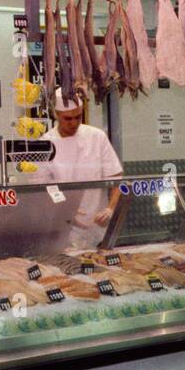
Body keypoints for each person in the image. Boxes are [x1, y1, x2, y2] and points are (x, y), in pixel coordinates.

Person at [42, 88, 123, 250]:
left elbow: (117, 178)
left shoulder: (97, 137)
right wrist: (65, 209)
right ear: (56, 115)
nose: (74, 123)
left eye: (78, 117)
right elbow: (42, 189)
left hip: (98, 227)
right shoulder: (45, 144)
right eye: (68, 118)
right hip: (63, 229)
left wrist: (110, 208)